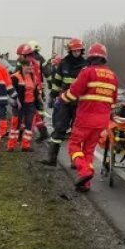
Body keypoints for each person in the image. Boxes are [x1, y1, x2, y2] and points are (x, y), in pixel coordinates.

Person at [60, 43, 119, 192]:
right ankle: (86, 183)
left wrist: (61, 99)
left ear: (90, 57)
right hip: (102, 121)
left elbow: (73, 92)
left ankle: (84, 171)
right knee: (89, 150)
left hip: (85, 117)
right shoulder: (113, 76)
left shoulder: (87, 72)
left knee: (74, 146)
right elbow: (113, 102)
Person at [44, 38, 88, 166]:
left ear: (82, 50)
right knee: (59, 129)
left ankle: (75, 161)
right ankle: (52, 159)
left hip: (80, 103)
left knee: (77, 132)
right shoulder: (63, 63)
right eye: (74, 50)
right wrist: (52, 96)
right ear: (70, 51)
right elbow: (57, 82)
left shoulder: (86, 65)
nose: (76, 52)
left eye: (78, 50)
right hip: (64, 101)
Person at [8, 44, 43, 152]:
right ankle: (11, 145)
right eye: (29, 67)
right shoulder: (15, 77)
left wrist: (39, 100)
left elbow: (35, 90)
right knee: (15, 125)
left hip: (30, 104)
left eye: (32, 67)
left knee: (29, 125)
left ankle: (26, 145)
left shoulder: (33, 77)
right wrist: (15, 101)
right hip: (19, 104)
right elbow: (10, 90)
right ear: (23, 67)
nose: (31, 69)